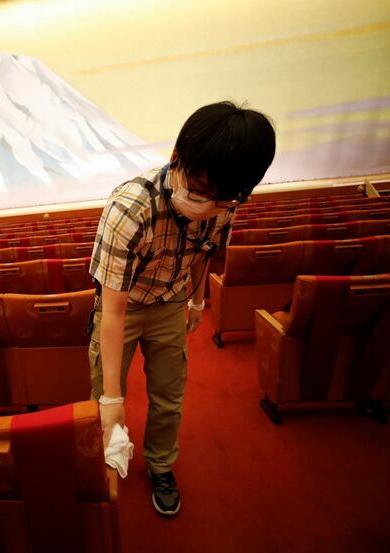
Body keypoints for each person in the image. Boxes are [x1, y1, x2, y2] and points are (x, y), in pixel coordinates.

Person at [88, 101, 276, 516]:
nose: (207, 207)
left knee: (170, 398)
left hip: (170, 303)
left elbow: (204, 249)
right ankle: (102, 462)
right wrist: (112, 398)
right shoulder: (129, 208)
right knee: (103, 401)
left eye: (222, 200)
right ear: (177, 158)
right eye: (200, 192)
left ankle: (160, 465)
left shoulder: (228, 200)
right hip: (123, 308)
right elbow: (114, 309)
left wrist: (196, 299)